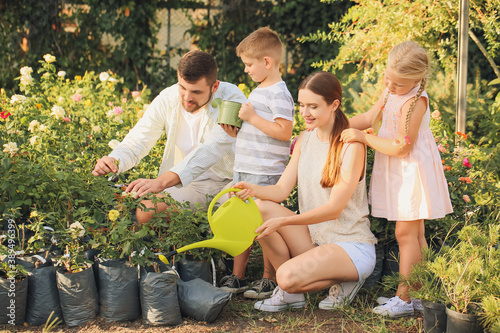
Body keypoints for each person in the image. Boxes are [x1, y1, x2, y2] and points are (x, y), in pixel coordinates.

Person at [232, 71, 377, 312]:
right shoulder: (305, 140)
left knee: (286, 277)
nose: (305, 113)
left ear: (334, 105)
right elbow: (280, 191)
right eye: (301, 105)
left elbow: (333, 210)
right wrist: (252, 189)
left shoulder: (351, 145)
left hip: (350, 246)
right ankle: (291, 295)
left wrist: (284, 221)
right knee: (259, 208)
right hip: (316, 240)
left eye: (313, 106)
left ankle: (346, 279)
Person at [340, 41, 453, 318]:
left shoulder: (416, 101)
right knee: (415, 234)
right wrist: (336, 125)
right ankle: (420, 294)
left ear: (417, 80)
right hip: (399, 168)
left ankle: (404, 299)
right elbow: (369, 116)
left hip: (411, 169)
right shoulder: (392, 90)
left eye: (398, 84)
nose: (390, 86)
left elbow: (403, 146)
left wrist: (365, 137)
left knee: (406, 233)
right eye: (387, 78)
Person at [92, 50, 247, 223]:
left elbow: (212, 149)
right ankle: (173, 245)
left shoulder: (232, 99)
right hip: (190, 185)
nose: (187, 97)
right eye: (182, 87)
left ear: (215, 86)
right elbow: (140, 138)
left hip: (230, 183)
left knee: (237, 217)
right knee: (147, 212)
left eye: (196, 92)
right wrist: (114, 160)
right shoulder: (168, 98)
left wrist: (161, 182)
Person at [218, 27, 295, 298]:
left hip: (265, 172)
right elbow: (263, 130)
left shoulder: (279, 93)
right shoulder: (259, 90)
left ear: (267, 62)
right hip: (246, 167)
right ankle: (238, 276)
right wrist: (238, 132)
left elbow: (284, 131)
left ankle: (269, 278)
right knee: (242, 220)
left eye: (249, 65)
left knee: (262, 225)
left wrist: (251, 118)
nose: (247, 70)